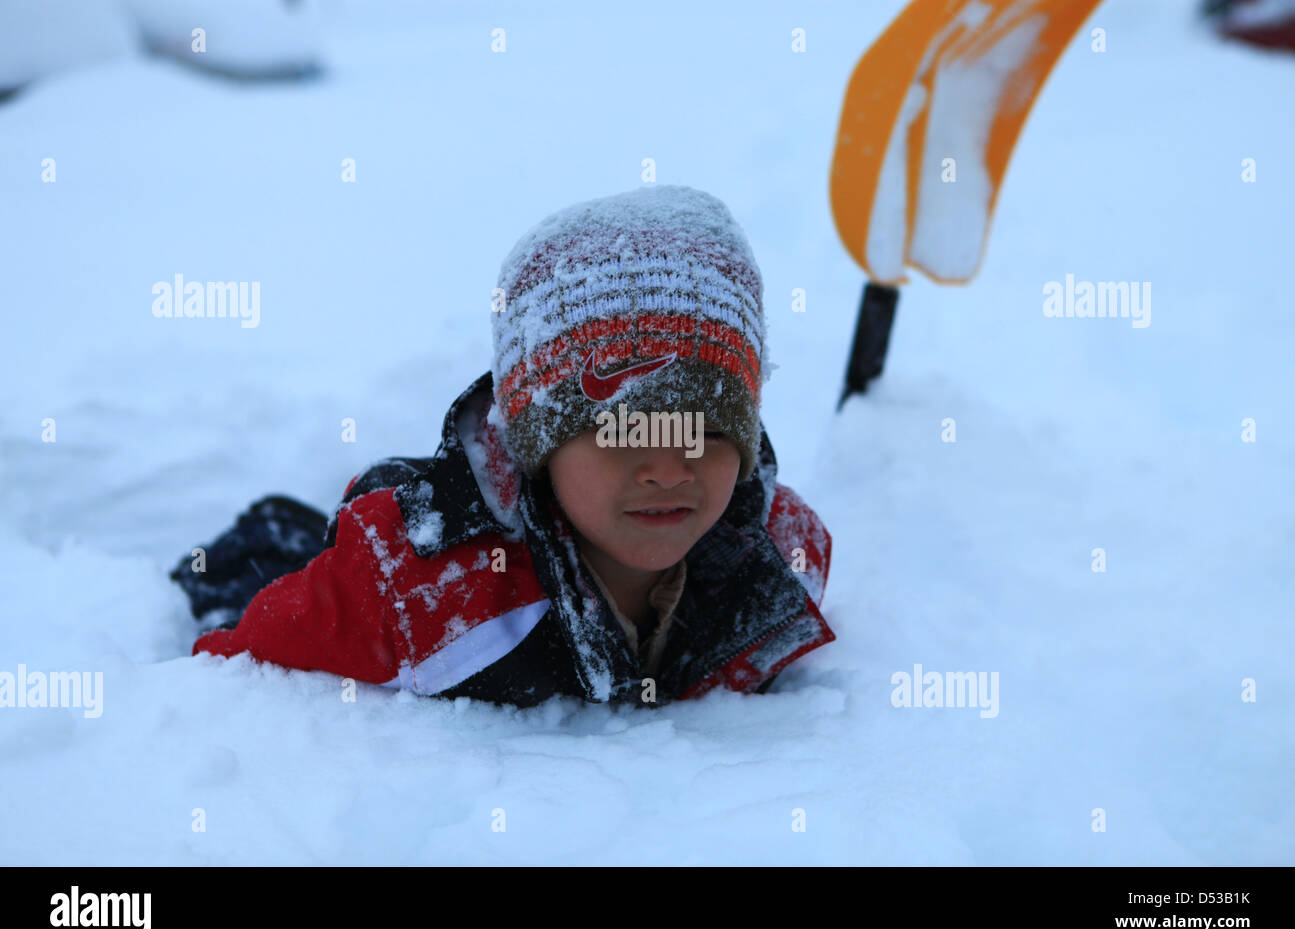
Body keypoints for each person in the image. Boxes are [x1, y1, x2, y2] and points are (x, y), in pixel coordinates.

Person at [173, 184, 837, 707]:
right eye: (618, 430)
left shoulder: (785, 552)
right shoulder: (413, 585)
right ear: (537, 444)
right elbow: (231, 682)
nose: (667, 468)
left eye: (705, 429)